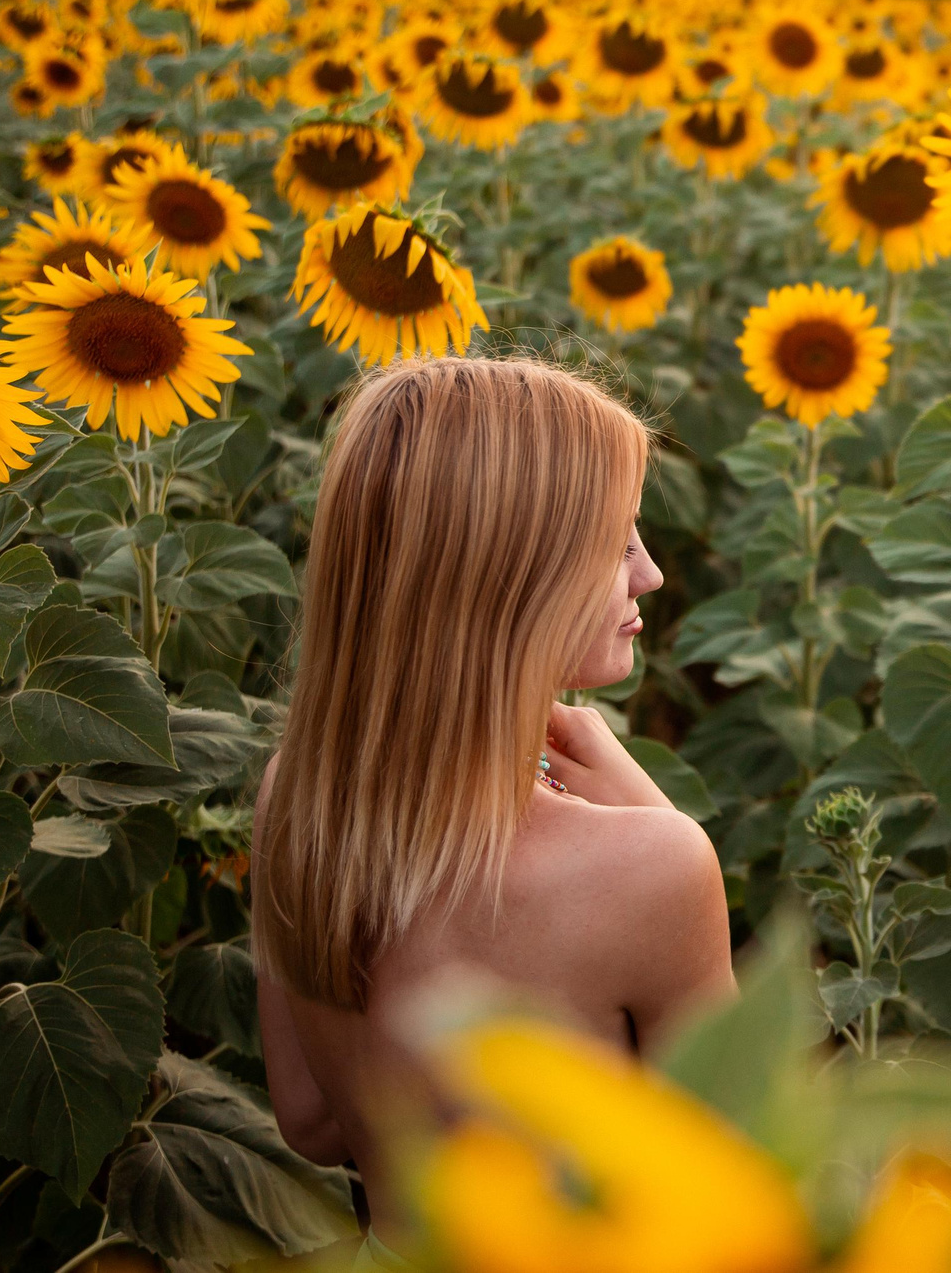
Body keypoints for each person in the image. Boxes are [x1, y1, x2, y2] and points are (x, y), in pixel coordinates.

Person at [252, 356, 733, 1250]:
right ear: (514, 574)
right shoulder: (651, 869)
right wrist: (659, 816)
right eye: (618, 542)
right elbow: (742, 1179)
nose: (653, 573)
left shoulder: (297, 794)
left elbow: (313, 1122)